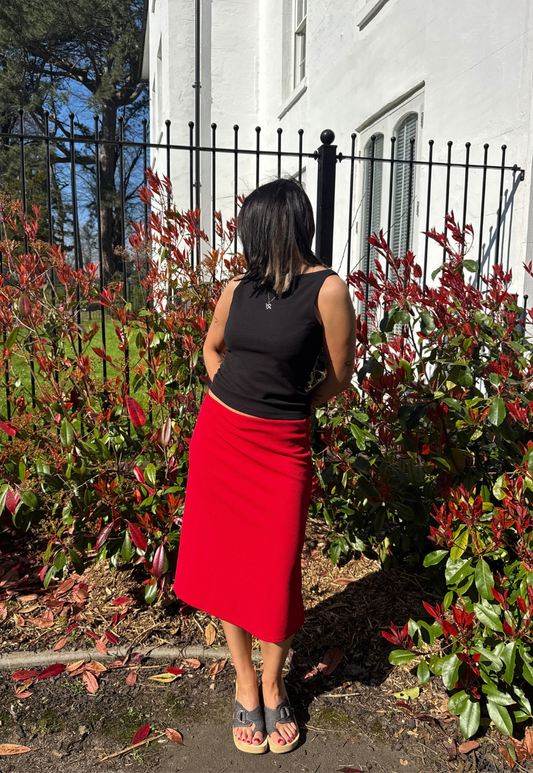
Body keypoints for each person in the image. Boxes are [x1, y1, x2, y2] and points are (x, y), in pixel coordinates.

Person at [173, 177, 356, 755]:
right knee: (229, 566)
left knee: (276, 572)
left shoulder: (327, 290)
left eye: (250, 225)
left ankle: (275, 681)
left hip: (280, 449)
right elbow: (211, 347)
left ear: (273, 225)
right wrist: (225, 395)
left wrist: (291, 407)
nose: (244, 236)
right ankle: (247, 683)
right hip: (221, 440)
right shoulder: (237, 289)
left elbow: (339, 374)